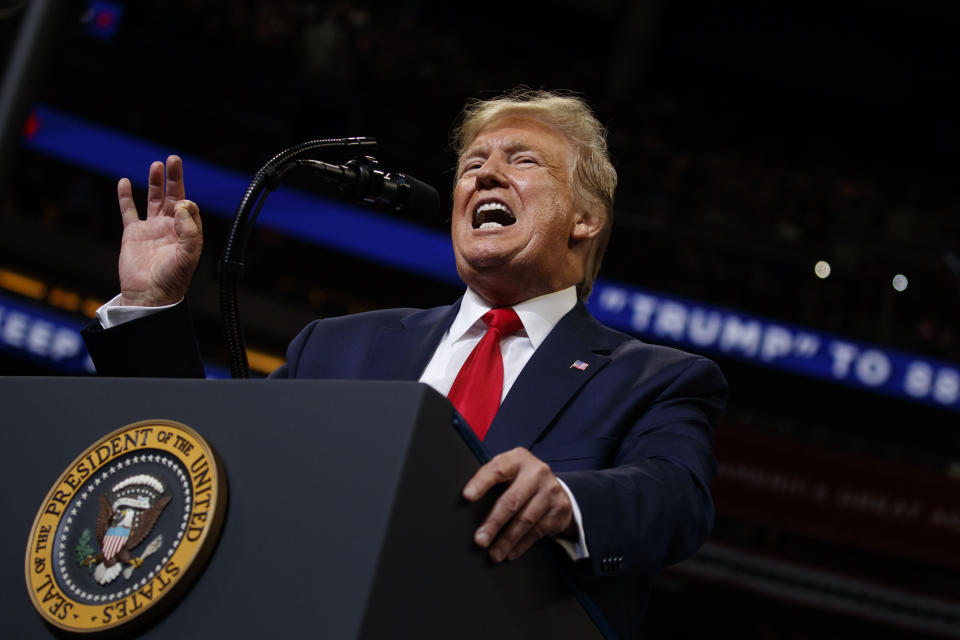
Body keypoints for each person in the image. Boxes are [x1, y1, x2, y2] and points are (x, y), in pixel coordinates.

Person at [82, 89, 727, 638]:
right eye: (473, 165)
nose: (485, 176)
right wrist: (148, 306)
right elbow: (199, 474)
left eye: (522, 160)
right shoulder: (336, 347)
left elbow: (676, 498)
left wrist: (567, 500)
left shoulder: (655, 379)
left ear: (586, 218)